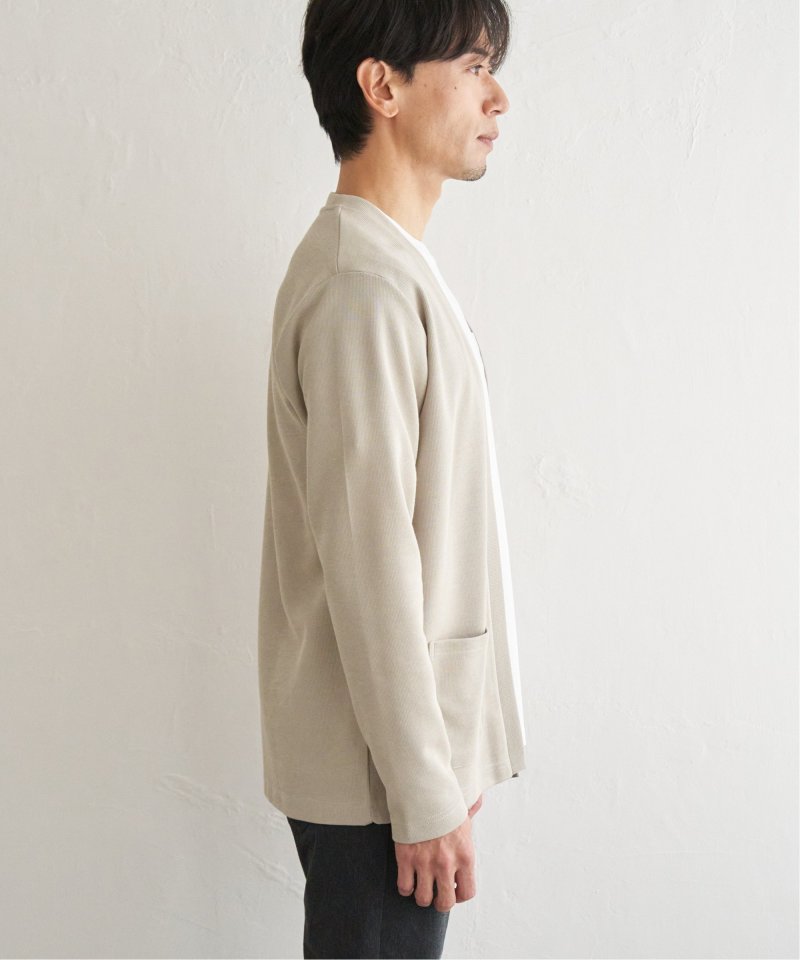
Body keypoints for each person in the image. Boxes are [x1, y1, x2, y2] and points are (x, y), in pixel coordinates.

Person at [257, 1, 526, 956]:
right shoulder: (362, 286)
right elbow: (370, 564)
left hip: (398, 767)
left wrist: (442, 761)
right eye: (474, 65)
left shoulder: (388, 266)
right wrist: (421, 788)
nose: (498, 97)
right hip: (380, 782)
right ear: (383, 86)